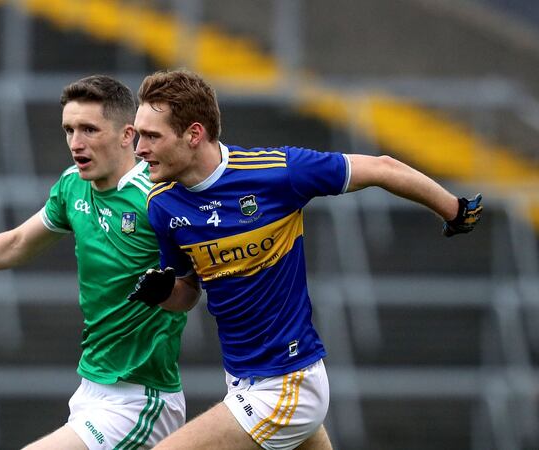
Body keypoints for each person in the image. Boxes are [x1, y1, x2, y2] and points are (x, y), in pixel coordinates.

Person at [128, 69, 483, 450]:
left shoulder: (278, 173)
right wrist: (165, 291)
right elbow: (188, 294)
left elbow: (382, 168)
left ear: (193, 134)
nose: (139, 148)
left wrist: (454, 211)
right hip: (242, 380)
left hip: (288, 383)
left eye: (152, 136)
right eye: (138, 135)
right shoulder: (162, 204)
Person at [0, 75, 194, 450]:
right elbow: (17, 243)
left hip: (141, 398)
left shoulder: (157, 198)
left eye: (88, 129)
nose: (75, 143)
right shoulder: (72, 186)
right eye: (68, 130)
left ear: (127, 135)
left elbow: (195, 282)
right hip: (91, 389)